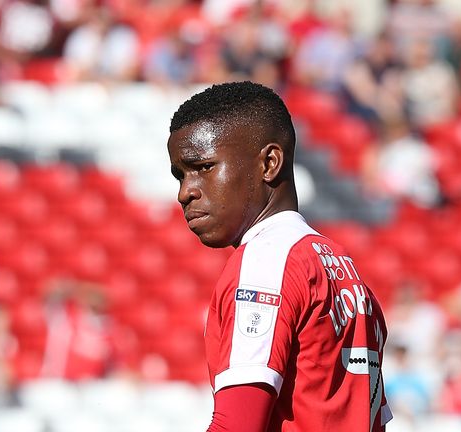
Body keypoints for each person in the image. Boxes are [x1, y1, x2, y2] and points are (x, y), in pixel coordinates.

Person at [166, 81, 392, 431]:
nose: (185, 192)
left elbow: (237, 425)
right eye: (180, 175)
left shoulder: (265, 261)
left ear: (269, 163)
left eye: (204, 167)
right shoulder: (342, 268)